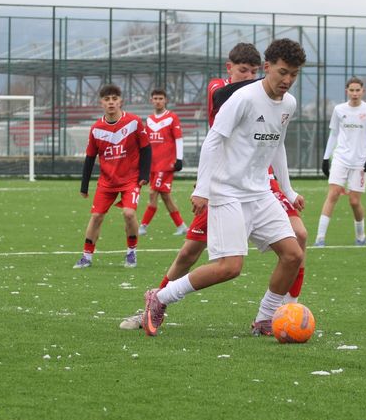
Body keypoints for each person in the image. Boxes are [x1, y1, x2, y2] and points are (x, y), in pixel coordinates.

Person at [119, 43, 308, 330]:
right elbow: (213, 142)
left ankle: (265, 318)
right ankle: (159, 298)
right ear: (268, 67)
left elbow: (277, 145)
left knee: (293, 254)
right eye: (283, 72)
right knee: (229, 267)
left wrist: (289, 191)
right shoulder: (243, 98)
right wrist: (203, 190)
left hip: (260, 192)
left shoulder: (289, 104)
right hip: (227, 192)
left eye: (293, 74)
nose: (287, 80)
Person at [73, 84, 151, 269]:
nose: (111, 103)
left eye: (114, 99)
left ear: (120, 101)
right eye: (107, 99)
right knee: (96, 216)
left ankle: (131, 253)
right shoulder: (96, 128)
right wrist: (84, 186)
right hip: (107, 182)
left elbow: (146, 148)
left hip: (130, 179)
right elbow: (90, 158)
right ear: (101, 103)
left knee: (129, 213)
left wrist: (144, 174)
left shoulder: (134, 122)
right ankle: (86, 257)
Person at [314, 77, 366, 247]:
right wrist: (326, 158)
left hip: (360, 162)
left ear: (363, 91)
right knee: (333, 194)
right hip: (341, 159)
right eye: (352, 90)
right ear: (347, 91)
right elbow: (334, 134)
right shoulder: (339, 110)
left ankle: (360, 236)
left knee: (354, 201)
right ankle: (320, 238)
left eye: (358, 90)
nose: (355, 93)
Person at [138, 89, 186, 236]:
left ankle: (142, 226)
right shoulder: (149, 120)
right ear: (151, 100)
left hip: (165, 164)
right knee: (165, 196)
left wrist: (179, 159)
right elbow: (145, 143)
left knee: (153, 193)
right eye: (155, 98)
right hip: (153, 165)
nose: (158, 101)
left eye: (160, 98)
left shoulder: (172, 117)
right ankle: (182, 226)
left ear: (166, 100)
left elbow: (178, 138)